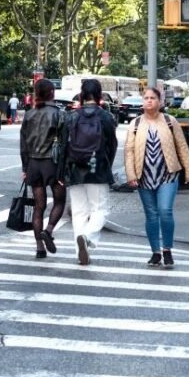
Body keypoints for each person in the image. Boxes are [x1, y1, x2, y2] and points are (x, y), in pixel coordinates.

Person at [124, 86, 189, 268]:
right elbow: (129, 151)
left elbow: (182, 147)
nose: (149, 100)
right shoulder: (136, 124)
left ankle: (167, 250)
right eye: (146, 98)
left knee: (165, 211)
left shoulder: (170, 122)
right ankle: (155, 252)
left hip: (168, 174)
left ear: (160, 101)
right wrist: (131, 174)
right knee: (151, 215)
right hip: (143, 176)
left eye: (153, 98)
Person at [58, 77, 118, 265]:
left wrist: (61, 172)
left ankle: (79, 251)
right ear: (99, 95)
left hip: (75, 168)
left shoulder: (71, 116)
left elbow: (62, 146)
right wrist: (108, 164)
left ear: (82, 95)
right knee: (99, 208)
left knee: (79, 212)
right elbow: (112, 145)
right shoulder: (106, 117)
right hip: (98, 167)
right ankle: (88, 236)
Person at [19, 78, 66, 258]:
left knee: (39, 206)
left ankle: (39, 247)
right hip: (51, 164)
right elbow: (64, 144)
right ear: (52, 93)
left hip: (33, 163)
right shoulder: (59, 114)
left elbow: (23, 144)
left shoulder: (29, 115)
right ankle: (49, 230)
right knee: (59, 201)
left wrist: (25, 167)